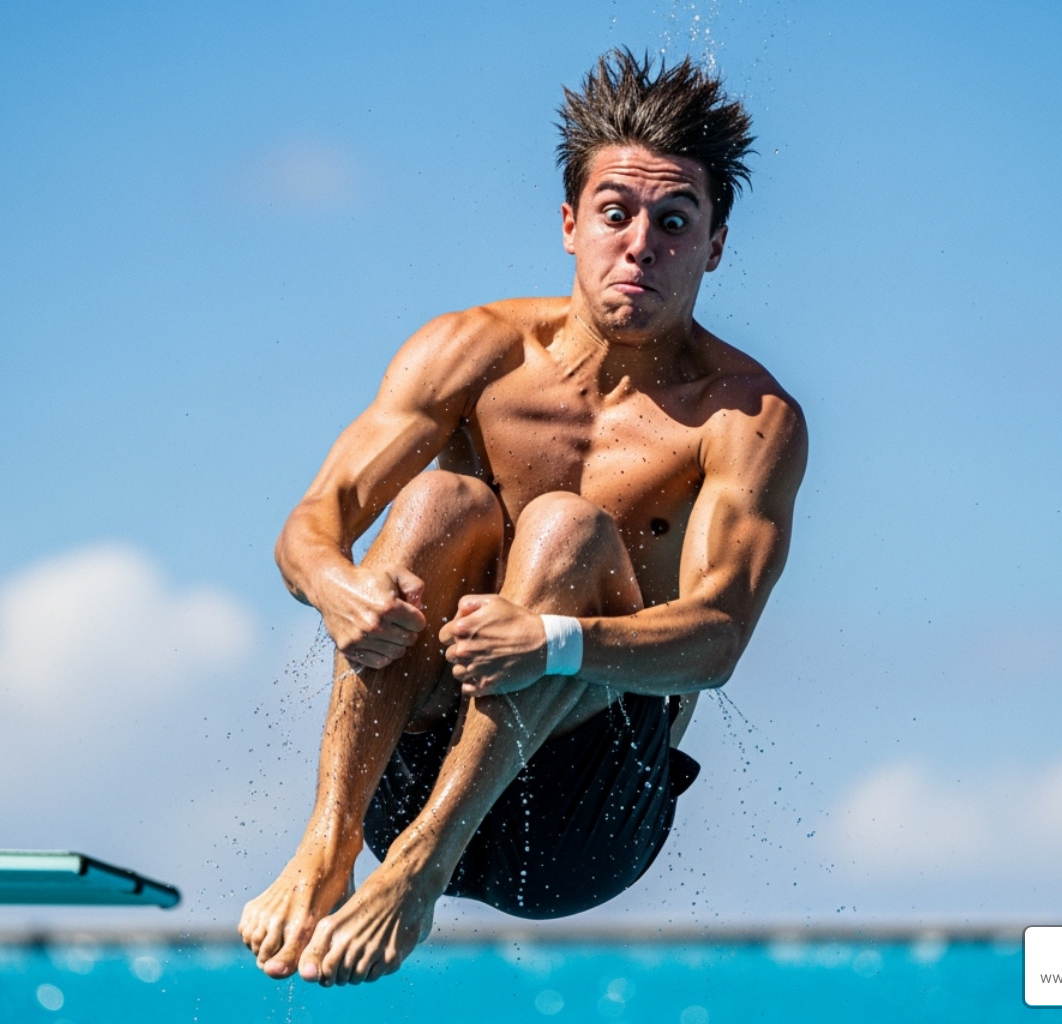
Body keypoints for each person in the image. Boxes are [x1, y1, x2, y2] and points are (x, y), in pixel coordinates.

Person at [238, 47, 807, 986]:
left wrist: (553, 642)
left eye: (675, 222)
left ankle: (417, 873)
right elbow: (313, 523)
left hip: (585, 822)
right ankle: (328, 849)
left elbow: (716, 646)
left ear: (715, 247)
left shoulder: (744, 417)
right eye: (617, 214)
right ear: (570, 223)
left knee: (568, 529)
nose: (641, 245)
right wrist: (339, 589)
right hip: (407, 769)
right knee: (438, 503)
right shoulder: (474, 351)